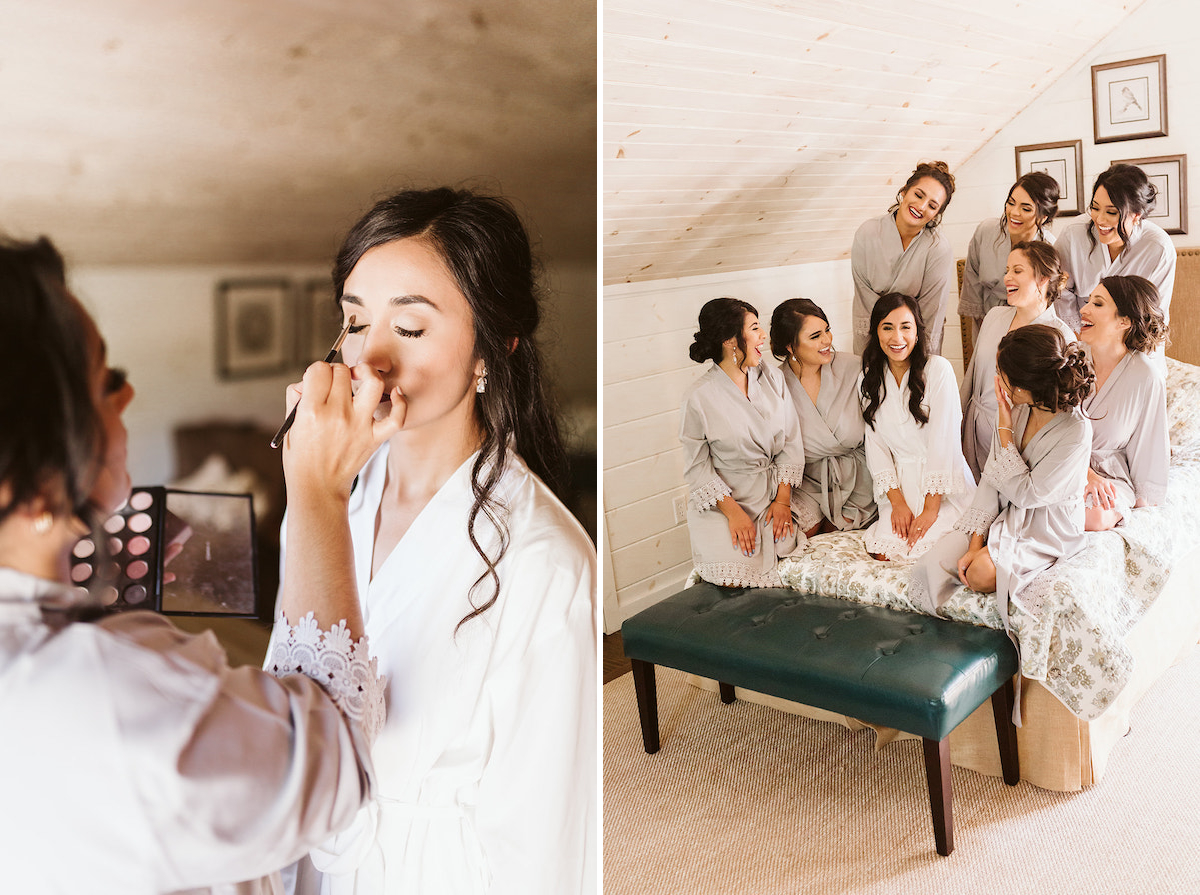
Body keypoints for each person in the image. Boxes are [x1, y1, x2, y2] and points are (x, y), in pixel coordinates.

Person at [0, 237, 387, 894]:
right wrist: (317, 488)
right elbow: (336, 759)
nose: (128, 395)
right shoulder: (99, 691)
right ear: (38, 460)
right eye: (105, 381)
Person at [272, 188, 597, 895]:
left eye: (411, 329)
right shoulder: (329, 499)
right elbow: (290, 709)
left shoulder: (547, 561)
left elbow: (543, 845)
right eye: (355, 322)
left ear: (492, 349)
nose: (372, 357)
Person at [911, 325, 1094, 626]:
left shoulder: (1075, 430)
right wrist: (975, 542)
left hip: (1045, 525)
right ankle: (933, 640)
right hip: (1003, 512)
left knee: (980, 573)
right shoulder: (1018, 408)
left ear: (1023, 386)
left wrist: (1005, 425)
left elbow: (1027, 493)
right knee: (930, 565)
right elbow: (990, 478)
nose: (997, 380)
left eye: (1002, 373)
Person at [680, 297, 806, 587]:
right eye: (755, 328)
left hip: (773, 496)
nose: (763, 336)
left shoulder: (772, 378)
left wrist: (783, 501)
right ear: (730, 340)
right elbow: (697, 468)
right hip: (725, 504)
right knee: (732, 580)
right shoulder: (698, 398)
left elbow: (791, 441)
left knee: (786, 553)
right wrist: (735, 514)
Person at [858, 294, 974, 561]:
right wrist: (897, 504)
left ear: (918, 331)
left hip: (943, 488)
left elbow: (945, 442)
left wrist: (931, 509)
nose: (897, 338)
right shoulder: (868, 379)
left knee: (927, 555)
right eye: (887, 327)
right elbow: (874, 446)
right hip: (899, 488)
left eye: (905, 327)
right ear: (876, 332)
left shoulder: (938, 370)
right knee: (885, 554)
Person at [961, 241, 1075, 480]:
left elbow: (1064, 408)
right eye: (1007, 270)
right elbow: (972, 377)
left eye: (1017, 271)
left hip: (1019, 440)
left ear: (1043, 279)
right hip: (974, 433)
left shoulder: (1060, 336)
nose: (1007, 278)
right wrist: (957, 427)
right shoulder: (994, 316)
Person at [770, 298, 875, 535]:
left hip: (859, 480)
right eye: (815, 336)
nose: (827, 340)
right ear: (790, 345)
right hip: (806, 483)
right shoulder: (775, 386)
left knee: (831, 533)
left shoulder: (855, 367)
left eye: (827, 330)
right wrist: (782, 501)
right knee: (784, 537)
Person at [1077, 275, 1170, 531]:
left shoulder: (1146, 377)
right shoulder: (1069, 361)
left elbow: (1149, 446)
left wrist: (1143, 505)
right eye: (1087, 301)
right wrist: (1085, 474)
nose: (1083, 309)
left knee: (1094, 516)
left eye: (1097, 304)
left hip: (1110, 478)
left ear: (1124, 321)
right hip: (1064, 465)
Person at [1054, 164, 1176, 347]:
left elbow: (1155, 317)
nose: (1100, 220)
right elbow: (1059, 291)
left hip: (1133, 345)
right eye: (1095, 208)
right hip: (1078, 339)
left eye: (1111, 212)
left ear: (1137, 215)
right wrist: (1077, 338)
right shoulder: (1073, 234)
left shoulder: (1159, 249)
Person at [851, 161, 956, 355]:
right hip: (873, 335)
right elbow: (864, 302)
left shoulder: (938, 249)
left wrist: (922, 361)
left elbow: (932, 312)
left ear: (936, 215)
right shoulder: (867, 233)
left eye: (932, 206)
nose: (921, 206)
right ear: (905, 191)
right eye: (918, 195)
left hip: (915, 340)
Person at [958, 171, 1060, 338]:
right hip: (985, 320)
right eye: (1011, 203)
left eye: (1025, 208)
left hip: (1029, 329)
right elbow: (972, 282)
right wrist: (986, 330)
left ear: (1043, 217)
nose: (1014, 212)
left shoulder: (1049, 248)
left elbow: (1047, 303)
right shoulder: (986, 231)